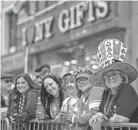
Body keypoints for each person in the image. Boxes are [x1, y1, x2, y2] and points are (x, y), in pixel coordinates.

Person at [89, 39, 138, 127]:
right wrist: (98, 116)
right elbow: (100, 112)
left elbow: (121, 119)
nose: (111, 77)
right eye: (107, 75)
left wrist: (103, 119)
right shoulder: (107, 92)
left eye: (115, 73)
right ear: (103, 79)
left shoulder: (127, 90)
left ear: (122, 76)